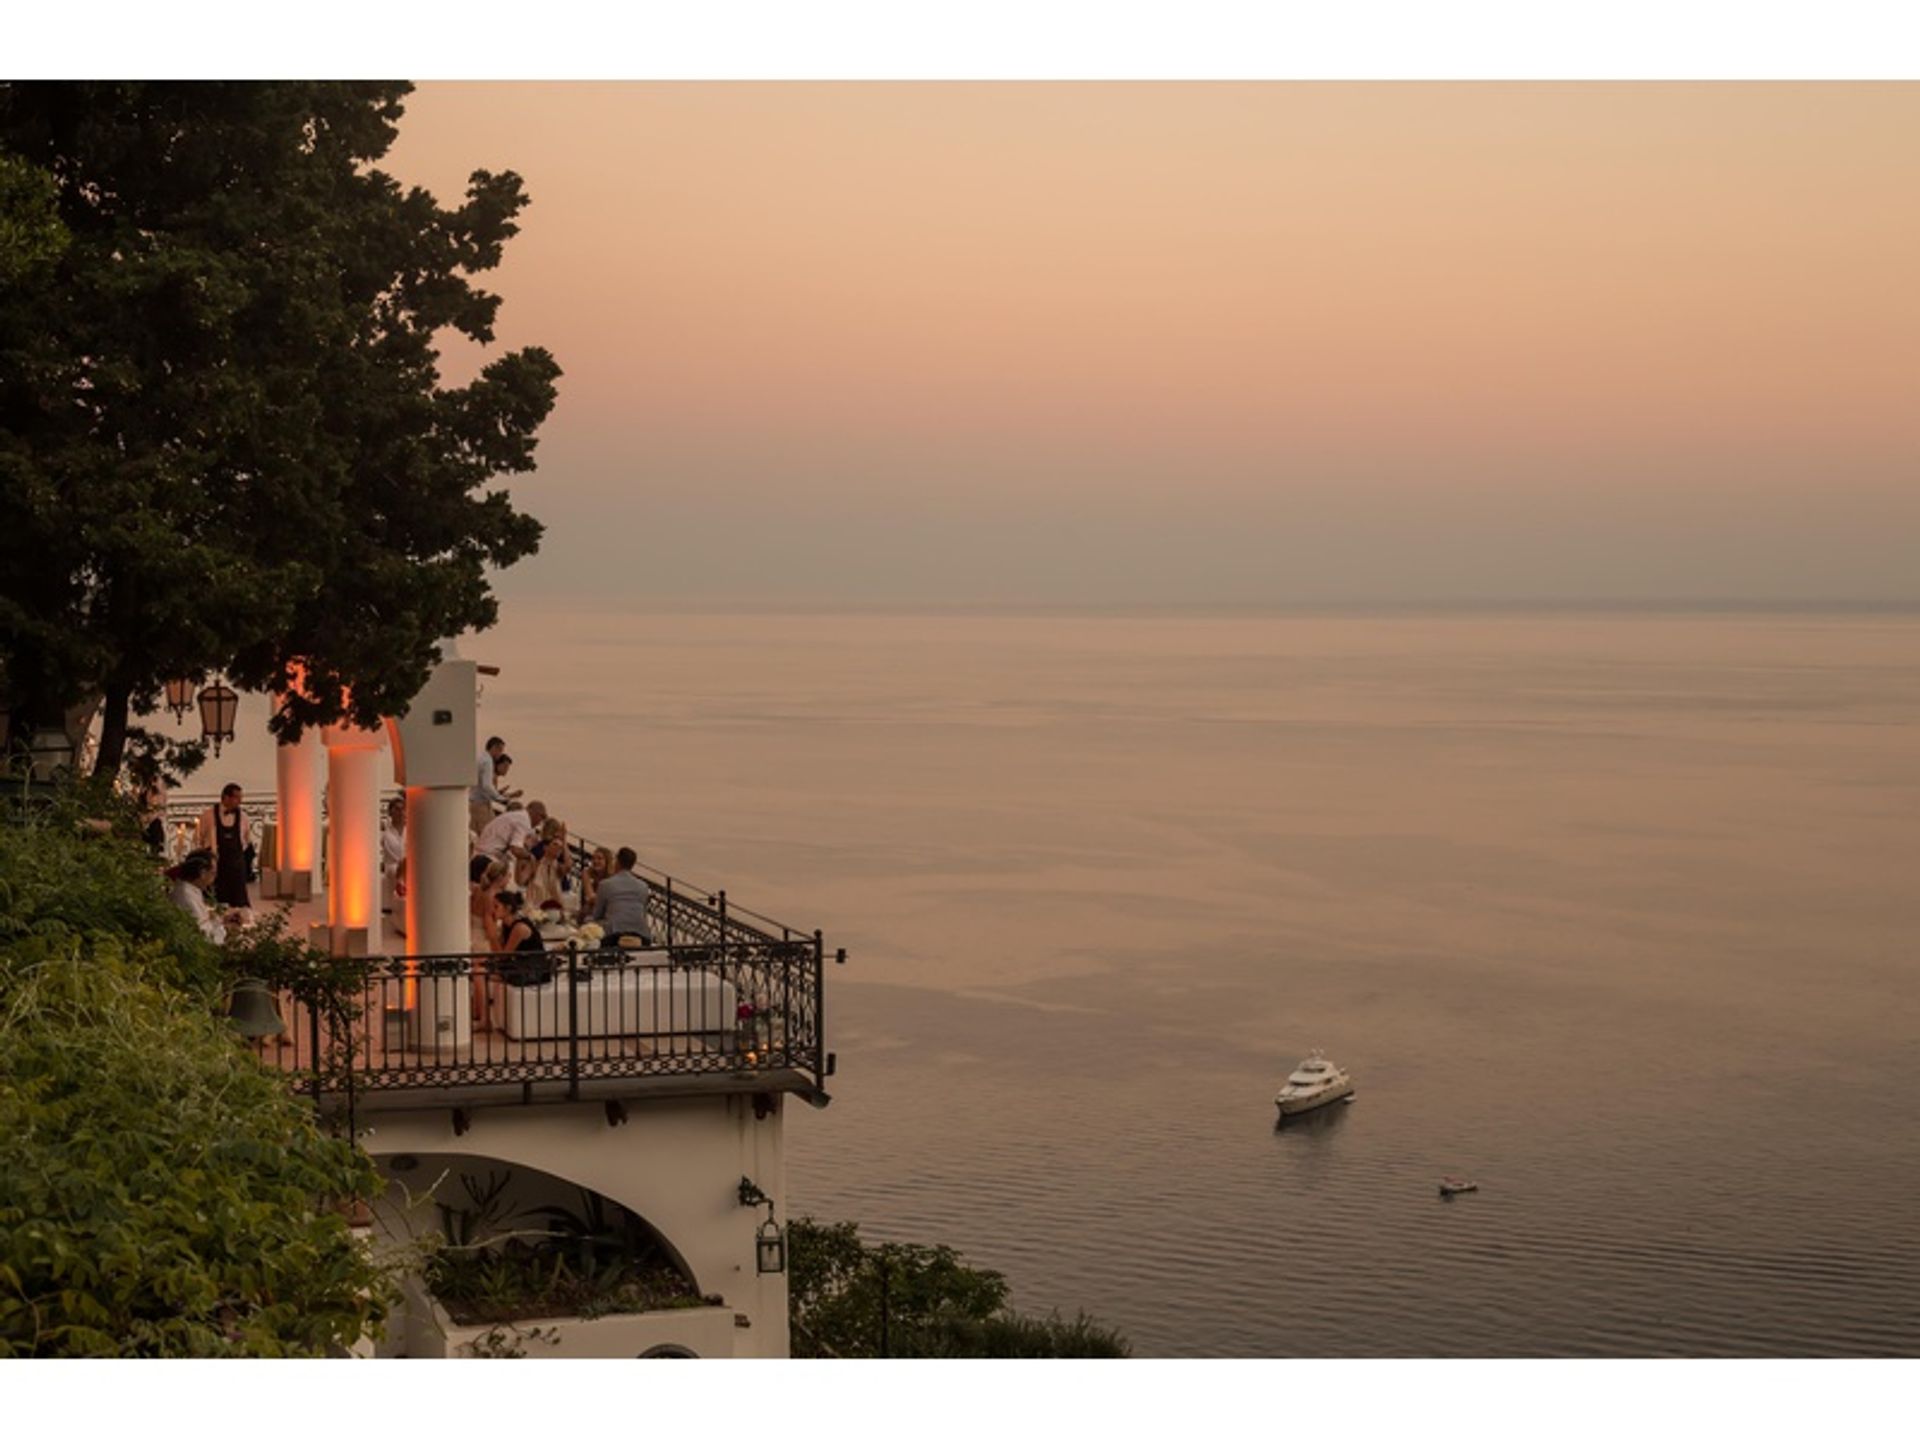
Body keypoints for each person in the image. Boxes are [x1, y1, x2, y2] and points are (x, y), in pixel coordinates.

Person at [195, 783, 252, 911]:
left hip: (236, 865)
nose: (240, 801)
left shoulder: (244, 817)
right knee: (216, 898)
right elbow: (200, 837)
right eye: (237, 797)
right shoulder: (208, 815)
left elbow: (246, 839)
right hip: (216, 863)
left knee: (238, 900)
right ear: (225, 797)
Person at [589, 846, 654, 946]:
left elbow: (597, 914)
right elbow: (642, 913)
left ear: (617, 862)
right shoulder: (643, 886)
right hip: (642, 935)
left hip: (613, 935)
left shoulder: (605, 884)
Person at [168, 852, 234, 943]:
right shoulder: (186, 895)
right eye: (213, 874)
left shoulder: (190, 889)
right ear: (202, 873)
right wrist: (225, 930)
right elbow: (205, 936)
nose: (214, 879)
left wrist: (221, 920)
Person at [477, 799, 546, 863]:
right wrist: (531, 857)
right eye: (542, 817)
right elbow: (516, 850)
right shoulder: (524, 820)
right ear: (536, 813)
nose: (540, 822)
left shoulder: (518, 816)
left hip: (483, 852)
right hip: (488, 856)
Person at [470, 735, 509, 833]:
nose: (500, 754)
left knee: (475, 832)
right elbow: (487, 785)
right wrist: (500, 798)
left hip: (473, 802)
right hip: (480, 804)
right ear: (494, 747)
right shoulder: (488, 761)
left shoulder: (480, 757)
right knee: (488, 834)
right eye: (500, 750)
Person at [580, 846, 614, 913]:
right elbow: (590, 897)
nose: (595, 861)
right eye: (593, 858)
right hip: (590, 909)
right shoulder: (586, 873)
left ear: (607, 861)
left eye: (599, 858)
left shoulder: (612, 876)